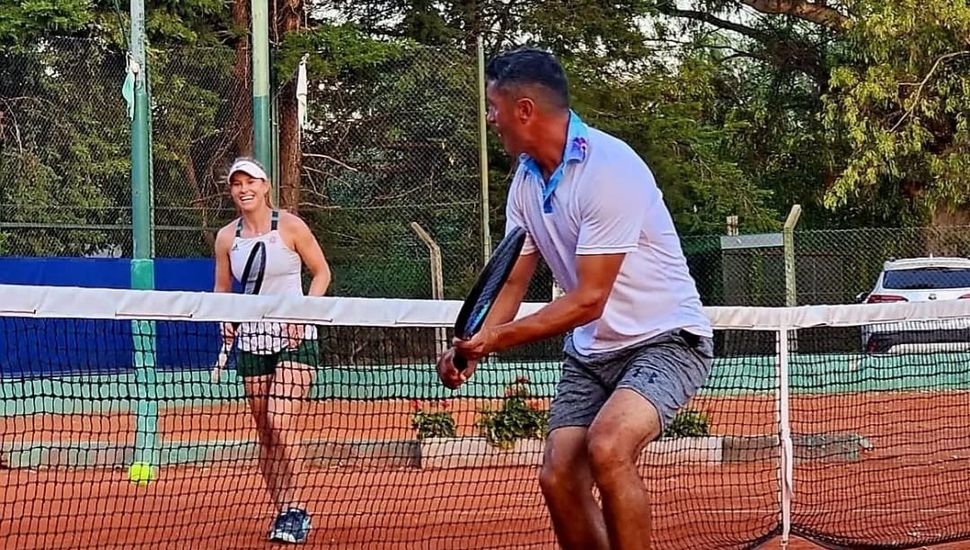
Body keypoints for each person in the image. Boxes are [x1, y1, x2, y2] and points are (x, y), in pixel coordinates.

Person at [435, 48, 715, 550]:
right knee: (558, 476)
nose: (490, 118)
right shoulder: (524, 182)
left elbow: (589, 299)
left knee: (608, 447)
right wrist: (473, 345)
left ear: (524, 109)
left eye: (492, 106)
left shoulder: (610, 169)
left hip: (667, 340)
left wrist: (494, 339)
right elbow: (513, 281)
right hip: (591, 354)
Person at [213, 157, 331, 544]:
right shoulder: (226, 237)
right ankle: (283, 510)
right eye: (236, 184)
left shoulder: (292, 227)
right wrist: (225, 318)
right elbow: (222, 290)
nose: (244, 189)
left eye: (251, 182)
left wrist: (304, 313)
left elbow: (322, 272)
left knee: (280, 420)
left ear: (265, 187)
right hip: (252, 339)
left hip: (295, 336)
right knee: (265, 432)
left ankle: (298, 508)